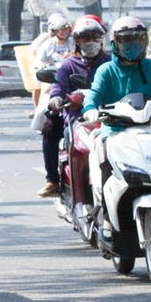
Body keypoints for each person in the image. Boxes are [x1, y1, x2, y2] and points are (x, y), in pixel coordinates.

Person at [46, 16, 109, 207]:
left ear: (101, 39)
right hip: (78, 121)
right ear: (76, 41)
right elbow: (57, 87)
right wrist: (57, 99)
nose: (89, 42)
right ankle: (76, 196)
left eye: (93, 36)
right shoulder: (68, 65)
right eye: (84, 37)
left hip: (109, 119)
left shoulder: (111, 63)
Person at [84, 15, 151, 125]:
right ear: (114, 44)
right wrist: (90, 108)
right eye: (127, 40)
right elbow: (94, 94)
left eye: (139, 39)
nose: (133, 44)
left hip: (150, 128)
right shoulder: (106, 70)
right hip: (115, 131)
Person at [33, 13, 74, 194]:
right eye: (61, 29)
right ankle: (52, 180)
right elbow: (39, 65)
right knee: (49, 124)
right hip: (59, 90)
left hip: (86, 100)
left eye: (95, 37)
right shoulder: (48, 47)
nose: (90, 43)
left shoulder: (105, 62)